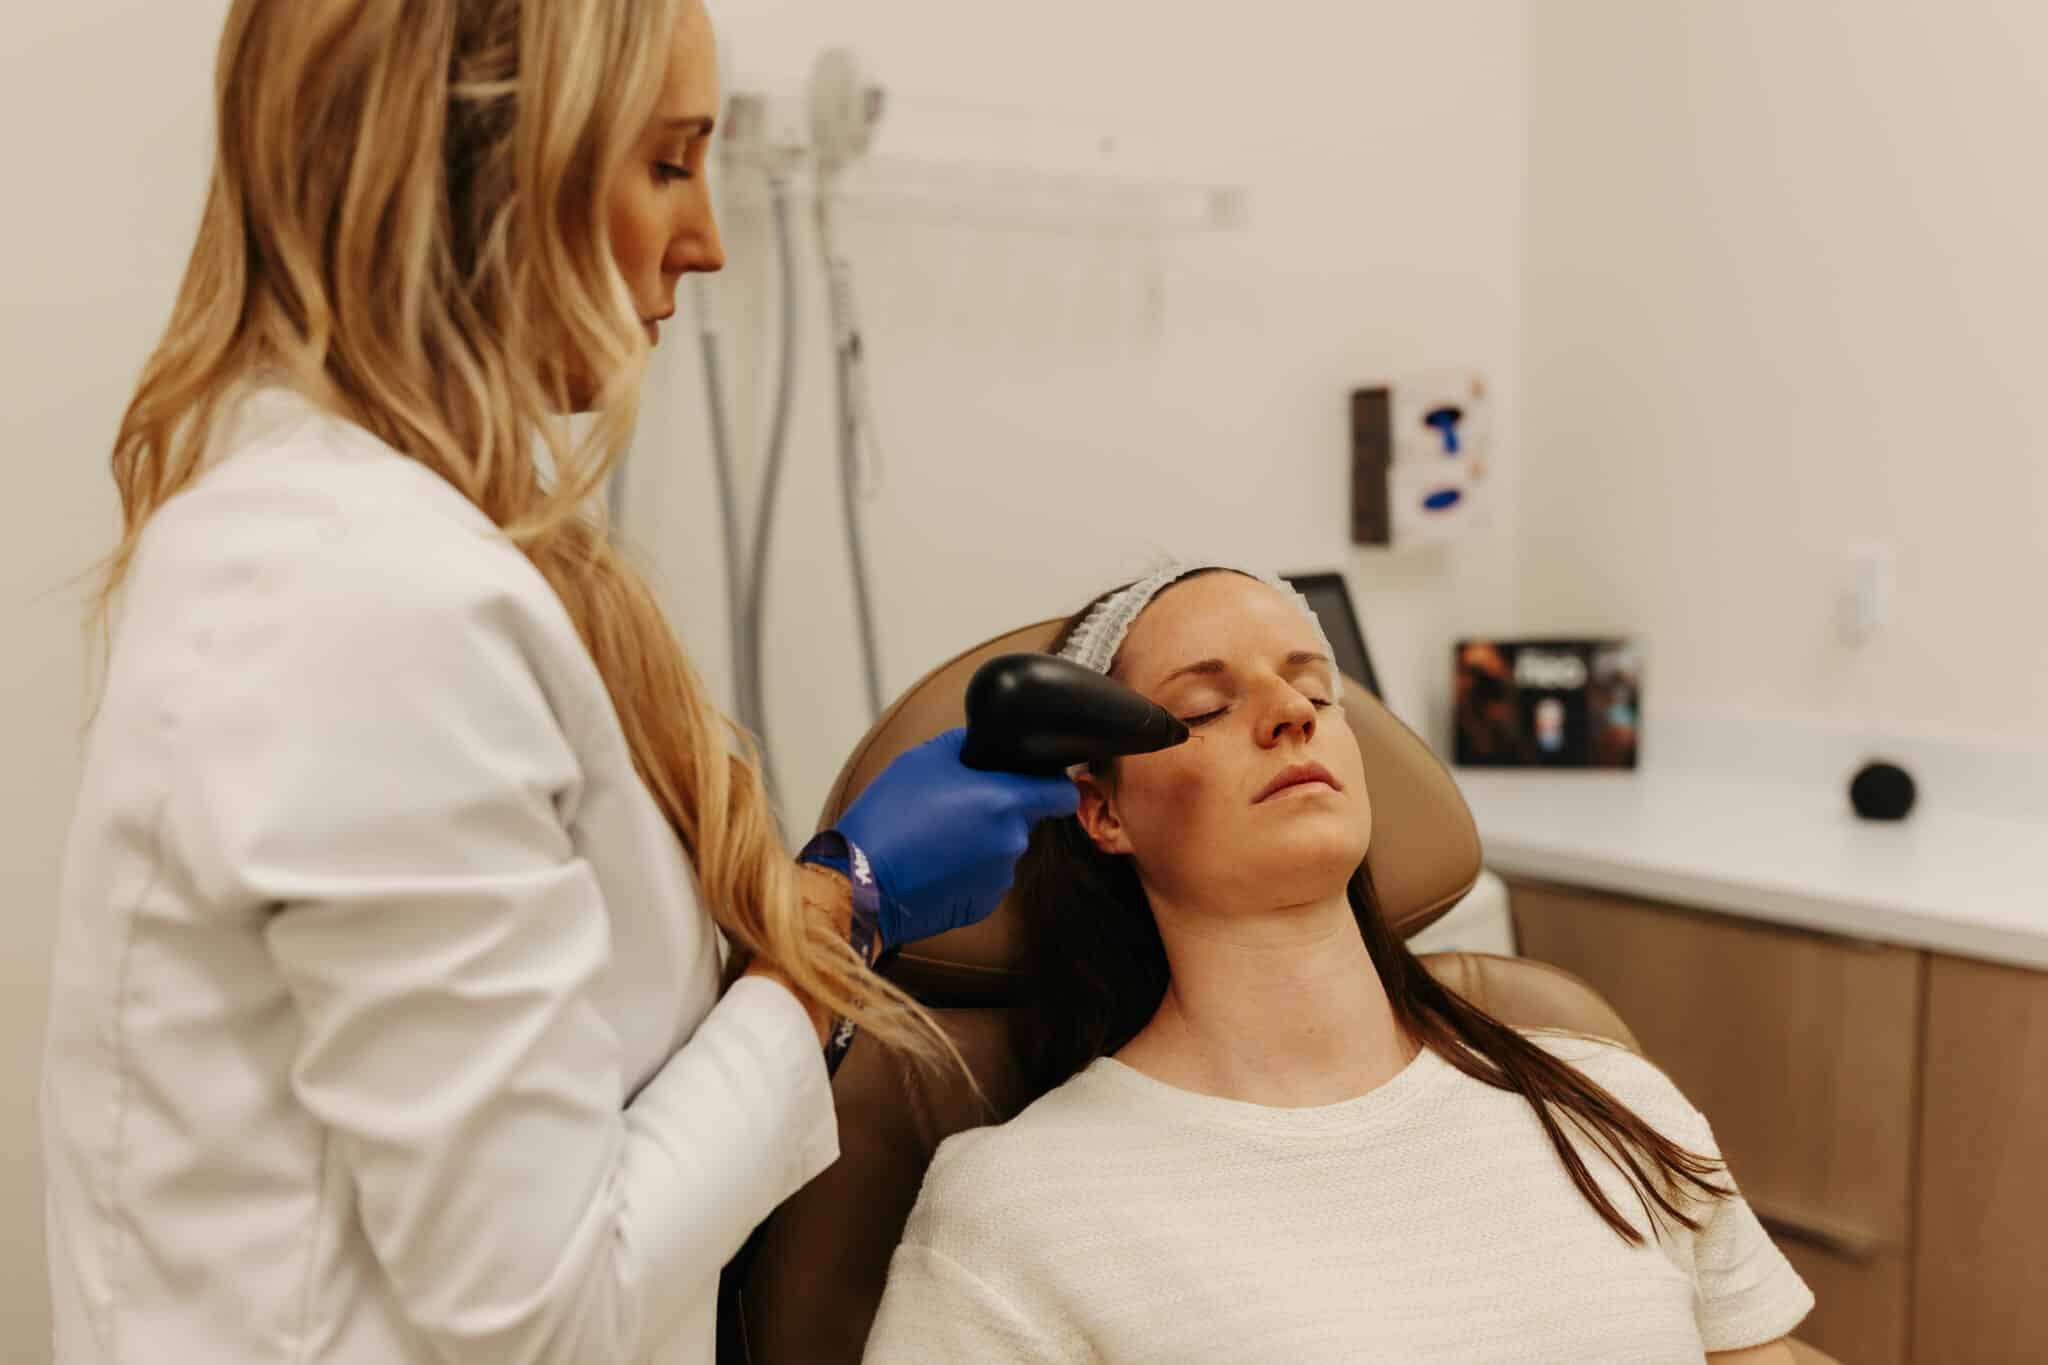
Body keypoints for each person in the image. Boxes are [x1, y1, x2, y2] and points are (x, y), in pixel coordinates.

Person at [41, 3, 1074, 1363]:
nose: (706, 239)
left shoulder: (374, 551)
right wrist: (847, 910)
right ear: (481, 166)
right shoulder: (365, 593)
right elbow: (541, 1298)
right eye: (667, 162)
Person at [863, 565, 1814, 1364]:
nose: (1290, 714)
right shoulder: (1018, 1211)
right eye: (1205, 706)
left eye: (1317, 690)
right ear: (1104, 811)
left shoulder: (1608, 1101)